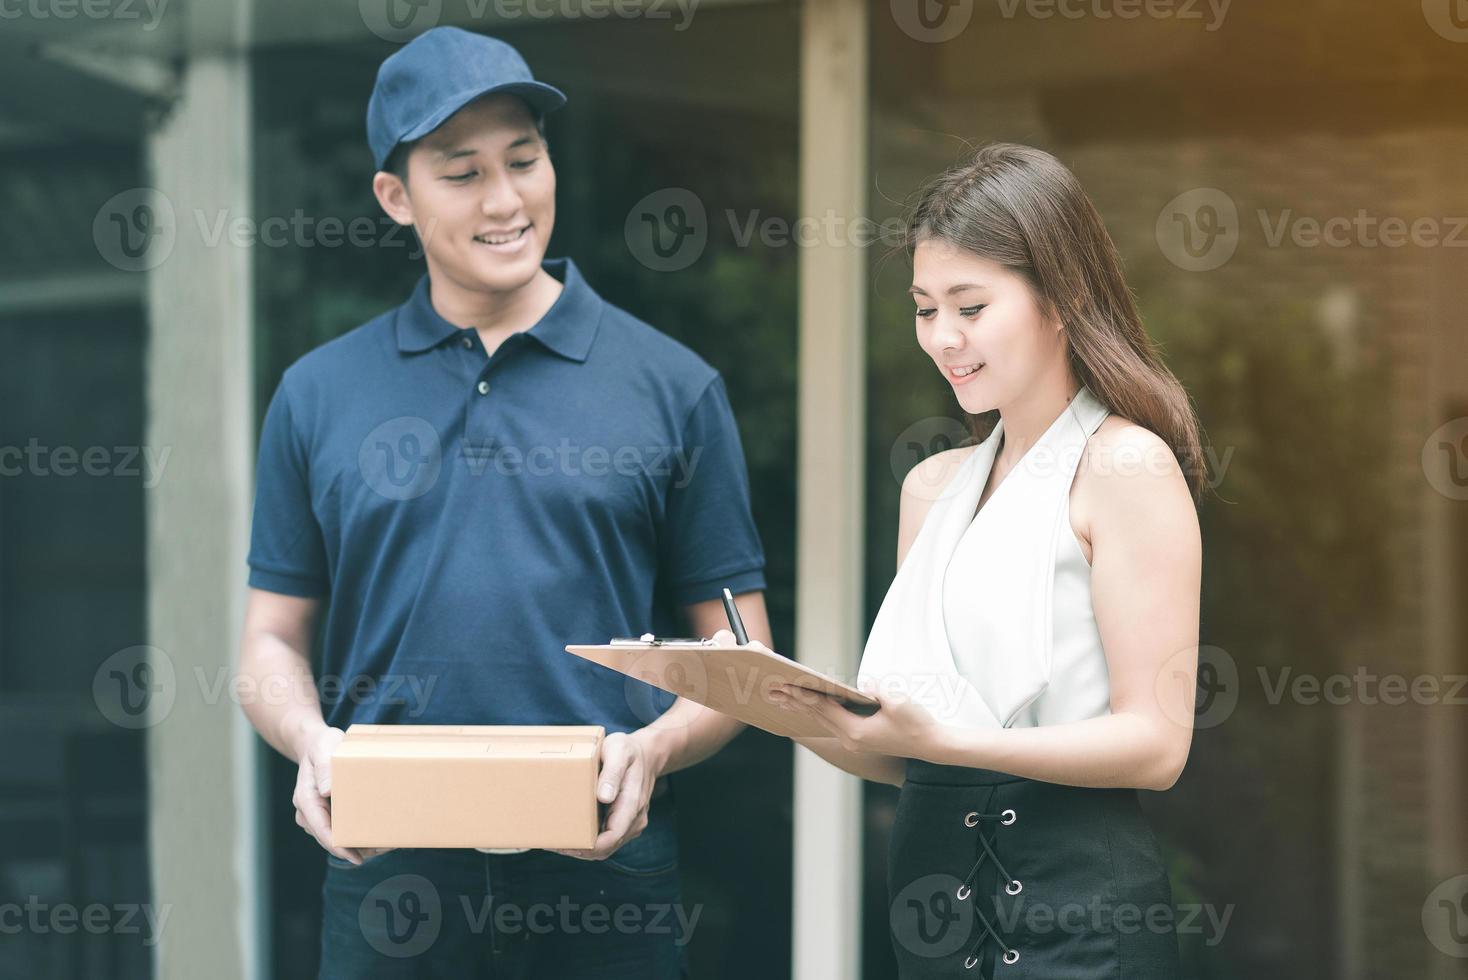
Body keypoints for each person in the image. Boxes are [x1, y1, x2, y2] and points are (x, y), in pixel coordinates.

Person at [236, 27, 771, 979]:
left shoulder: (673, 386)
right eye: (463, 172)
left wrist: (649, 752)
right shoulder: (317, 394)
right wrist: (312, 744)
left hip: (602, 867)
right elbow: (271, 641)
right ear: (395, 197)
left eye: (524, 160)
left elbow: (743, 653)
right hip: (390, 876)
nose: (506, 199)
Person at [756, 142, 1203, 978]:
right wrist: (777, 705)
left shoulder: (1126, 466)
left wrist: (958, 745)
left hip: (1079, 916)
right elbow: (908, 754)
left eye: (970, 305)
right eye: (925, 308)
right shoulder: (931, 487)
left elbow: (1157, 744)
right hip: (931, 911)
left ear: (1062, 297)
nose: (942, 337)